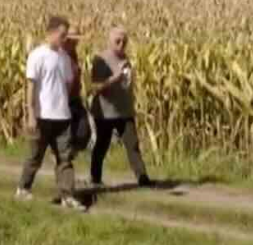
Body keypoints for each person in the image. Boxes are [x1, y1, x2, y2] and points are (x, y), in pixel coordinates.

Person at [16, 16, 86, 210]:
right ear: (51, 32)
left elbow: (68, 83)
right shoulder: (37, 55)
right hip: (42, 116)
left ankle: (67, 196)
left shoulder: (64, 58)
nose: (65, 39)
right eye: (63, 35)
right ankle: (23, 189)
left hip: (62, 117)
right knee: (35, 156)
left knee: (65, 159)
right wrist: (30, 113)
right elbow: (31, 86)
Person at [89, 27, 153, 188]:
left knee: (132, 145)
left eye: (124, 41)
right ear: (109, 41)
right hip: (105, 112)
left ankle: (142, 177)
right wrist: (113, 79)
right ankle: (95, 177)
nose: (121, 44)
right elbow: (95, 87)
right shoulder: (100, 59)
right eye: (118, 41)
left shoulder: (126, 60)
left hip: (125, 111)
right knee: (102, 146)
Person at [63, 28, 92, 154]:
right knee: (67, 133)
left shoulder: (73, 54)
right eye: (73, 41)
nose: (76, 43)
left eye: (76, 41)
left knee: (83, 130)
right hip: (63, 100)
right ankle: (63, 158)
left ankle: (70, 153)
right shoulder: (60, 55)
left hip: (75, 98)